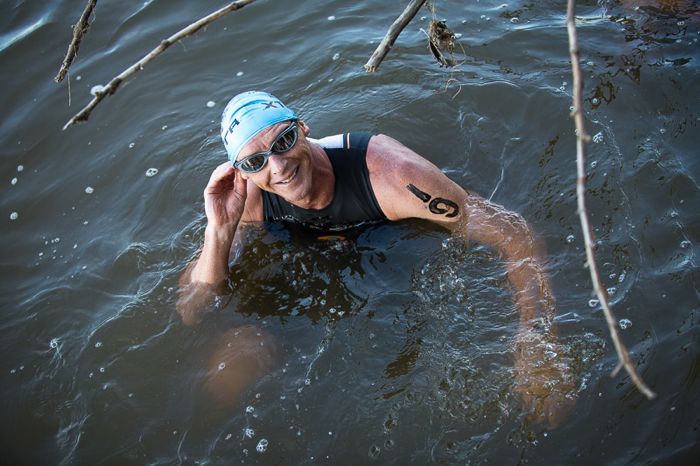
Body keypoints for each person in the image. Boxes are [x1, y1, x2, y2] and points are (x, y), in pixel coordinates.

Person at [177, 91, 574, 427]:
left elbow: (514, 233)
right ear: (241, 171)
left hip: (392, 247)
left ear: (303, 129)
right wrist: (221, 229)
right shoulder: (249, 200)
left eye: (283, 141)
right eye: (255, 161)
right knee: (231, 370)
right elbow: (194, 309)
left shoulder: (394, 177)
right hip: (305, 259)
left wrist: (536, 339)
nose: (277, 167)